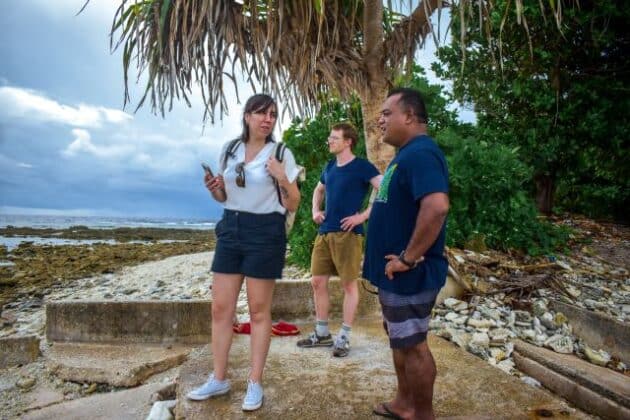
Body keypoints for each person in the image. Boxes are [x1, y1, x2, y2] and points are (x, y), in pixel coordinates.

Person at [186, 94, 301, 412]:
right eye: (262, 113)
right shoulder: (230, 149)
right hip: (231, 227)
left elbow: (293, 203)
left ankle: (254, 382)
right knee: (220, 309)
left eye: (273, 115)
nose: (268, 119)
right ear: (247, 115)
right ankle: (219, 378)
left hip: (266, 231)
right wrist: (215, 188)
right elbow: (225, 196)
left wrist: (280, 175)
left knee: (259, 312)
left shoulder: (281, 153)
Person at [363, 88, 449, 420]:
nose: (380, 119)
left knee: (413, 345)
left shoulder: (421, 153)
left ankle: (423, 414)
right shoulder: (407, 154)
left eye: (387, 113)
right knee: (400, 339)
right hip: (396, 276)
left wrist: (408, 258)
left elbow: (437, 207)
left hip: (410, 274)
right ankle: (404, 403)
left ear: (409, 116)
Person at [296, 122, 381, 357]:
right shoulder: (330, 166)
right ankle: (322, 333)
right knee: (317, 282)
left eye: (334, 138)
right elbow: (318, 190)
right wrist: (315, 211)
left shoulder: (362, 166)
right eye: (330, 137)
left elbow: (384, 189)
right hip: (325, 232)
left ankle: (343, 336)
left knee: (348, 286)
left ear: (348, 142)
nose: (329, 141)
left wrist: (362, 216)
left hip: (348, 235)